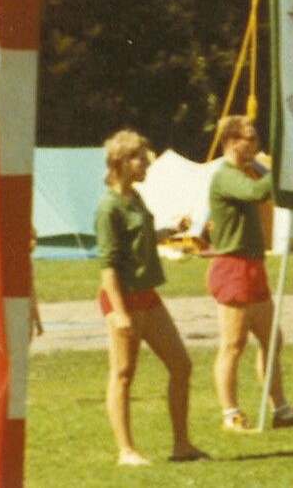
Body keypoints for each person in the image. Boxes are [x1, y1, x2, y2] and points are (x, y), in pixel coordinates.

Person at [96, 129, 208, 466]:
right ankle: (126, 451)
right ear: (121, 162)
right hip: (123, 299)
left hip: (147, 295)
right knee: (123, 374)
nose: (146, 163)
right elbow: (108, 267)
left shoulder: (135, 198)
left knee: (181, 365)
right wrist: (119, 313)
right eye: (139, 158)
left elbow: (140, 238)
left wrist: (169, 231)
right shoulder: (109, 207)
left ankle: (182, 446)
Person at [207, 117, 293, 432]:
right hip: (232, 266)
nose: (256, 143)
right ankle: (231, 414)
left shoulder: (249, 171)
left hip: (253, 265)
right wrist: (280, 165)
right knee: (233, 344)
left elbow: (268, 189)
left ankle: (281, 410)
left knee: (271, 340)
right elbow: (254, 194)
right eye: (249, 138)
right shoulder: (225, 176)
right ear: (231, 140)